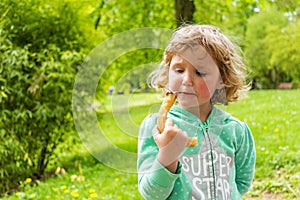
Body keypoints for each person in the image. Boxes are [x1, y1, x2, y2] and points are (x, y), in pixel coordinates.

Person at [137, 24, 256, 200]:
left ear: (221, 80)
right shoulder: (157, 128)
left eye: (200, 72)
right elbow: (152, 194)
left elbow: (242, 182)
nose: (186, 80)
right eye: (179, 70)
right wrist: (168, 156)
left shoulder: (236, 130)